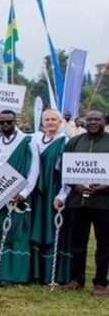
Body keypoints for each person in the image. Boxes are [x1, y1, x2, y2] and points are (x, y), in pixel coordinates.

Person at [57, 110, 109, 296]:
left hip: (104, 203)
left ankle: (101, 282)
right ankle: (76, 279)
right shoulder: (74, 142)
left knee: (104, 244)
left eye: (97, 119)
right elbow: (64, 168)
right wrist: (75, 184)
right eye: (90, 119)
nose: (93, 122)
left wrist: (104, 187)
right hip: (78, 202)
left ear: (104, 121)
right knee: (77, 242)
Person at [0, 110, 39, 286]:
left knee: (18, 235)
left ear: (14, 121)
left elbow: (34, 169)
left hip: (21, 195)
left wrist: (24, 194)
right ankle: (0, 274)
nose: (5, 126)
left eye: (8, 122)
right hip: (2, 195)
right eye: (2, 122)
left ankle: (18, 276)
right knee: (2, 231)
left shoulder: (28, 141)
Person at [31, 109, 70, 285]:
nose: (50, 122)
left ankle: (52, 274)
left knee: (53, 230)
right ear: (42, 121)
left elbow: (69, 172)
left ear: (60, 121)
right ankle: (36, 272)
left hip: (54, 191)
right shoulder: (35, 139)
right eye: (47, 119)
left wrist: (63, 195)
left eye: (54, 119)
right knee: (37, 227)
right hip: (37, 191)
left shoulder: (66, 141)